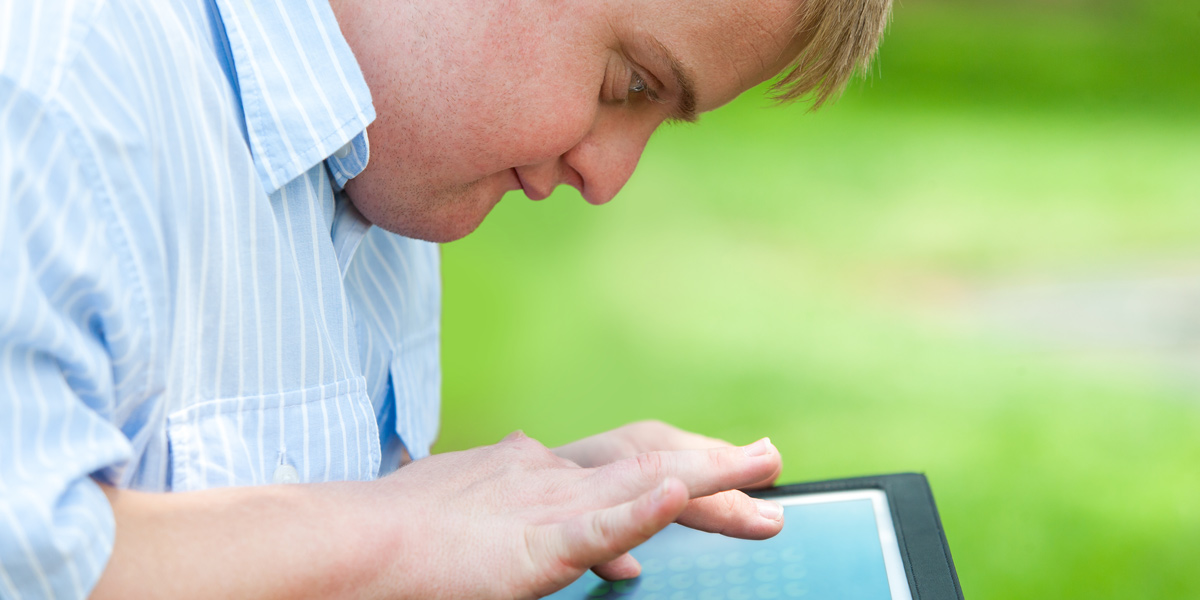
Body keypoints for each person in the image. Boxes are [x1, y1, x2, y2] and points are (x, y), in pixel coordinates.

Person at [0, 0, 891, 597]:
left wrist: (515, 508)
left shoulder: (390, 171)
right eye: (628, 86)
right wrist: (391, 532)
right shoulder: (57, 85)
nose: (608, 175)